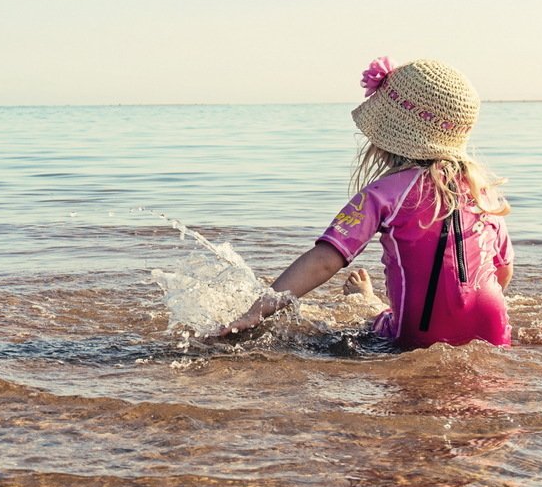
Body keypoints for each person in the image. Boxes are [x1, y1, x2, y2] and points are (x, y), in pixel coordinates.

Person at [213, 57, 514, 348]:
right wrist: (461, 312)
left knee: (379, 324)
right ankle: (373, 302)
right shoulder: (482, 192)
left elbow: (324, 261)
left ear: (388, 134)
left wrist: (256, 311)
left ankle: (366, 300)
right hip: (495, 329)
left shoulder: (385, 193)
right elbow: (503, 271)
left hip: (418, 335)